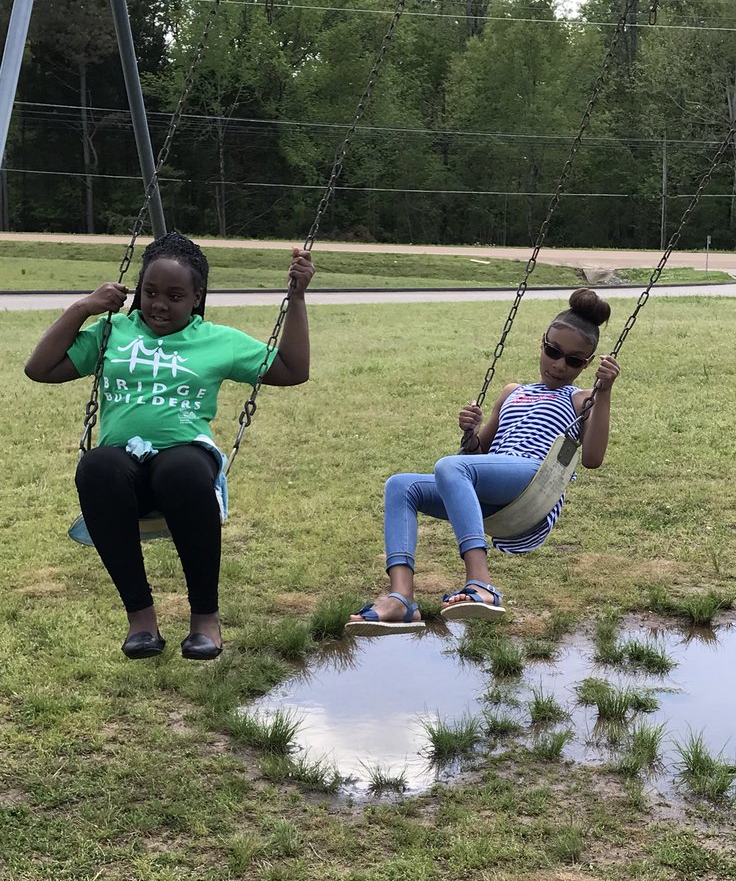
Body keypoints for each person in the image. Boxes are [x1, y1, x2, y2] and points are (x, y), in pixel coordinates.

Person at [25, 231, 315, 660]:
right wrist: (84, 307)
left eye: (175, 295)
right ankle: (140, 618)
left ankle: (205, 618)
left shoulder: (218, 340)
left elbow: (292, 369)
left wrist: (298, 298)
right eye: (151, 292)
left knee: (181, 468)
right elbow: (40, 368)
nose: (160, 304)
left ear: (197, 297)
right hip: (124, 467)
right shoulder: (113, 332)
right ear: (137, 290)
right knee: (97, 466)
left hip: (185, 461)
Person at [347, 287, 619, 634]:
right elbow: (478, 456)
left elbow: (593, 458)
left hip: (536, 483)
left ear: (587, 364)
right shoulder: (513, 392)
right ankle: (401, 598)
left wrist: (605, 391)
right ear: (542, 343)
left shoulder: (581, 399)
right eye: (552, 351)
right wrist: (471, 431)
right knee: (401, 486)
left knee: (450, 467)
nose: (558, 364)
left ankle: (480, 583)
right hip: (496, 490)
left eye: (573, 360)